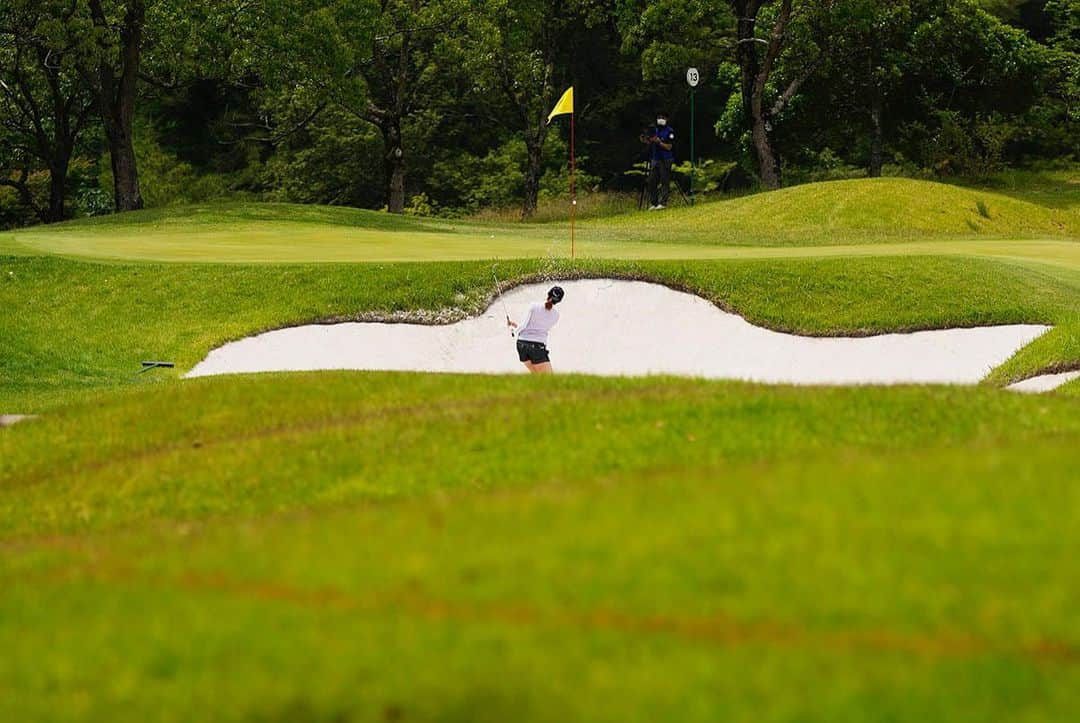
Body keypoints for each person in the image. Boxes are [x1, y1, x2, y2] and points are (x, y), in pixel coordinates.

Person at [508, 286, 565, 374]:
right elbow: (539, 329)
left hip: (521, 345)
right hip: (537, 348)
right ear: (559, 301)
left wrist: (513, 328)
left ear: (548, 294)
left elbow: (523, 326)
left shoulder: (533, 306)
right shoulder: (556, 316)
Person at [642, 112, 675, 210]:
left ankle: (663, 203)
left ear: (666, 119)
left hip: (665, 159)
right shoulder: (655, 130)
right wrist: (646, 140)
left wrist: (659, 142)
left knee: (664, 180)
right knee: (651, 181)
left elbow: (669, 147)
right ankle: (654, 203)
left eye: (662, 117)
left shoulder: (669, 131)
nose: (660, 119)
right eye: (659, 117)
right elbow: (650, 142)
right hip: (655, 159)